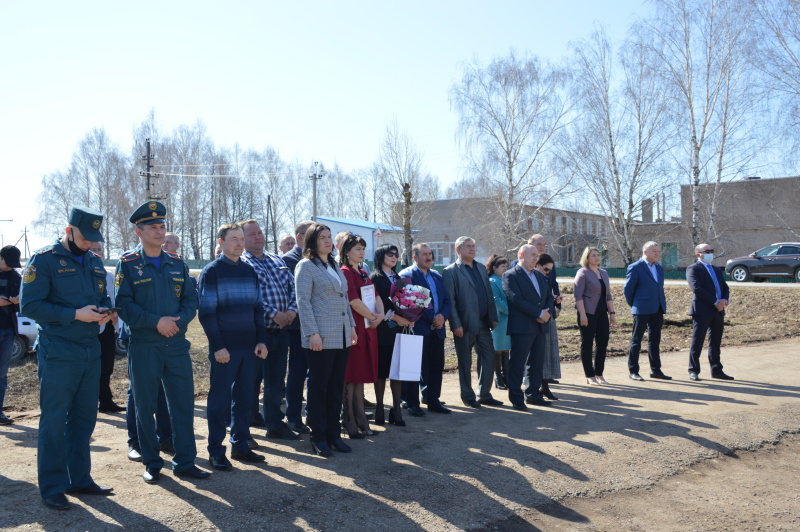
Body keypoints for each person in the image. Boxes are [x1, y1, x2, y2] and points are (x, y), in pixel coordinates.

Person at [20, 206, 115, 510]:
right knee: (55, 420)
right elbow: (31, 305)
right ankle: (52, 486)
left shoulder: (94, 263)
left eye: (93, 239)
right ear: (68, 230)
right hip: (59, 350)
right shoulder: (44, 260)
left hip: (91, 349)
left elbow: (101, 298)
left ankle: (79, 478)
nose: (88, 243)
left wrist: (105, 312)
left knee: (84, 418)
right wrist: (75, 314)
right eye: (84, 237)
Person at [115, 201, 210, 483]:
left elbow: (191, 301)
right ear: (138, 232)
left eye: (162, 226)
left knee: (182, 404)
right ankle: (152, 462)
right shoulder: (129, 264)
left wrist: (176, 323)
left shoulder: (177, 263)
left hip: (176, 346)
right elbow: (123, 305)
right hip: (144, 346)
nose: (159, 231)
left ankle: (185, 461)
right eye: (153, 227)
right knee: (145, 405)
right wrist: (156, 322)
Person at [198, 223, 269, 471]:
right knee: (219, 400)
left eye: (241, 239)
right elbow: (207, 313)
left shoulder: (250, 271)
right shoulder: (212, 272)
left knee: (245, 398)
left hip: (250, 348)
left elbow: (258, 308)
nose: (239, 243)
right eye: (234, 239)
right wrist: (218, 346)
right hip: (224, 350)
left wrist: (261, 340)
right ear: (221, 242)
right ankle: (216, 451)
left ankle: (240, 444)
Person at [295, 223, 358, 457]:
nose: (327, 240)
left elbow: (344, 298)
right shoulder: (306, 266)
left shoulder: (333, 264)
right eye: (322, 237)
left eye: (329, 237)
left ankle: (333, 434)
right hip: (320, 336)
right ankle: (318, 436)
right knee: (318, 387)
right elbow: (303, 301)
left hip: (341, 335)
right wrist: (312, 333)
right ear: (312, 240)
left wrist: (351, 326)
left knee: (335, 387)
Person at [240, 219, 300, 441]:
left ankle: (275, 424)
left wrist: (292, 311)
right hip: (257, 333)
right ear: (243, 239)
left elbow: (292, 287)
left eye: (260, 233)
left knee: (275, 382)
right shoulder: (243, 263)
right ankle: (245, 426)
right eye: (252, 234)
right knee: (250, 382)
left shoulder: (277, 260)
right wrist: (274, 313)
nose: (258, 237)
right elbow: (251, 296)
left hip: (281, 331)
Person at [442, 236, 501, 408]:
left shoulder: (481, 268)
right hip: (465, 325)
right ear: (458, 249)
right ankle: (468, 396)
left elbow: (488, 295)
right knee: (465, 362)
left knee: (489, 357)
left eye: (474, 246)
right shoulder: (450, 271)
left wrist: (493, 317)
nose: (472, 249)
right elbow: (450, 301)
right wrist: (455, 324)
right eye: (468, 246)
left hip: (484, 323)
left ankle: (484, 394)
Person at [399, 243, 452, 414]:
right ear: (415, 257)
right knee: (413, 368)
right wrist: (433, 318)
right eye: (424, 254)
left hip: (438, 329)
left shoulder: (436, 276)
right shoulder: (407, 275)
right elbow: (410, 302)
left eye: (430, 254)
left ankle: (433, 399)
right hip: (418, 328)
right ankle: (412, 403)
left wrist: (442, 316)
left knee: (436, 366)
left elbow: (447, 301)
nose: (429, 257)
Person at [339, 233, 382, 437]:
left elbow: (376, 296)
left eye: (363, 248)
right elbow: (353, 301)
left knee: (360, 376)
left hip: (369, 325)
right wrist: (373, 316)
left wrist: (379, 316)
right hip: (356, 325)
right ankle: (349, 420)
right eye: (357, 248)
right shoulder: (345, 272)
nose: (362, 252)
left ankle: (360, 419)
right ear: (346, 252)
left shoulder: (364, 272)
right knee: (351, 375)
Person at [502, 244, 554, 410]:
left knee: (536, 363)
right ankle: (516, 398)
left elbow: (548, 297)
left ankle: (533, 394)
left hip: (540, 326)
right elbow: (516, 299)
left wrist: (546, 312)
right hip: (522, 326)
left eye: (537, 256)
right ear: (522, 255)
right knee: (517, 363)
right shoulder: (510, 275)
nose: (536, 259)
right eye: (533, 255)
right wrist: (539, 313)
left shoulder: (539, 276)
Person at [370, 244, 414, 425]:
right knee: (381, 371)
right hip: (382, 330)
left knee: (398, 371)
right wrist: (395, 317)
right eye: (390, 254)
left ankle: (396, 410)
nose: (394, 257)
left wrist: (411, 315)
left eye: (396, 254)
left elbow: (406, 301)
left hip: (399, 330)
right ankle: (380, 408)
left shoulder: (399, 277)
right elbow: (374, 306)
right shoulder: (375, 278)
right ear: (381, 256)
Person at [280, 220, 315, 435]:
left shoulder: (318, 259)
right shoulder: (289, 260)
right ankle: (293, 416)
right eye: (314, 235)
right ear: (301, 237)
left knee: (316, 374)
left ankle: (313, 413)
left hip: (318, 326)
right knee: (297, 373)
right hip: (297, 327)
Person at [624, 241, 671, 381]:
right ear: (645, 252)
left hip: (657, 308)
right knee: (636, 340)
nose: (657, 253)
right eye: (654, 251)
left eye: (658, 251)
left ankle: (655, 370)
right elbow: (628, 290)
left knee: (655, 341)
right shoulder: (636, 267)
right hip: (641, 309)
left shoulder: (659, 268)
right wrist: (635, 305)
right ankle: (633, 370)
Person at [686, 243, 733, 381]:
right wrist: (715, 302)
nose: (710, 253)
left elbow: (725, 286)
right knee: (698, 341)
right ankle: (693, 370)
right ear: (698, 254)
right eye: (707, 251)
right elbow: (697, 288)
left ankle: (716, 370)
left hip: (718, 310)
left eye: (711, 251)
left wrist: (724, 300)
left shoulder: (717, 269)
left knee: (715, 342)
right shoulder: (693, 268)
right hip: (702, 310)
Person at [88, 242, 124, 413]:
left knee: (107, 366)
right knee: (89, 368)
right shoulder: (81, 274)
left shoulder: (108, 275)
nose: (97, 253)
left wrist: (114, 316)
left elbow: (113, 297)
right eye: (93, 250)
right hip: (87, 326)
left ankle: (105, 400)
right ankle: (87, 402)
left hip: (107, 326)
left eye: (99, 249)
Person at [573, 247, 616, 386]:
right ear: (587, 258)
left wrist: (612, 313)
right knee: (587, 343)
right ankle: (590, 375)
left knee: (602, 343)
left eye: (598, 255)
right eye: (593, 255)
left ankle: (599, 374)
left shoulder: (604, 273)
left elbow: (608, 295)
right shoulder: (582, 273)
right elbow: (578, 296)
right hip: (588, 313)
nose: (597, 258)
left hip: (602, 313)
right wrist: (583, 315)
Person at [529, 234, 562, 385]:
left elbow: (553, 284)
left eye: (544, 244)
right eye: (539, 244)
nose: (542, 247)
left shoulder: (548, 262)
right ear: (530, 244)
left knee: (549, 343)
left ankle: (547, 375)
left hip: (549, 309)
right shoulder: (520, 263)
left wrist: (557, 304)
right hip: (532, 312)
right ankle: (533, 378)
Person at [0, 245, 23, 425]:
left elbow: (24, 303)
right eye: (8, 263)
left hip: (8, 330)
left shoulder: (16, 276)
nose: (10, 267)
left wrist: (17, 301)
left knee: (2, 374)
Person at [535, 253, 562, 399]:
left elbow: (549, 293)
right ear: (537, 265)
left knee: (548, 353)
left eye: (550, 270)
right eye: (546, 269)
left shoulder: (544, 278)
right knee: (538, 355)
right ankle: (536, 388)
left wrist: (556, 301)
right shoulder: (531, 278)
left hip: (548, 317)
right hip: (536, 319)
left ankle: (544, 386)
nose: (548, 273)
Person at [485, 255, 510, 390]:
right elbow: (496, 301)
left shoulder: (505, 280)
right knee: (498, 348)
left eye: (506, 266)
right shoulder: (492, 281)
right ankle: (498, 376)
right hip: (499, 320)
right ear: (494, 268)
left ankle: (506, 376)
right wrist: (510, 310)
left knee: (506, 348)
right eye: (502, 266)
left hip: (508, 320)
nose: (505, 269)